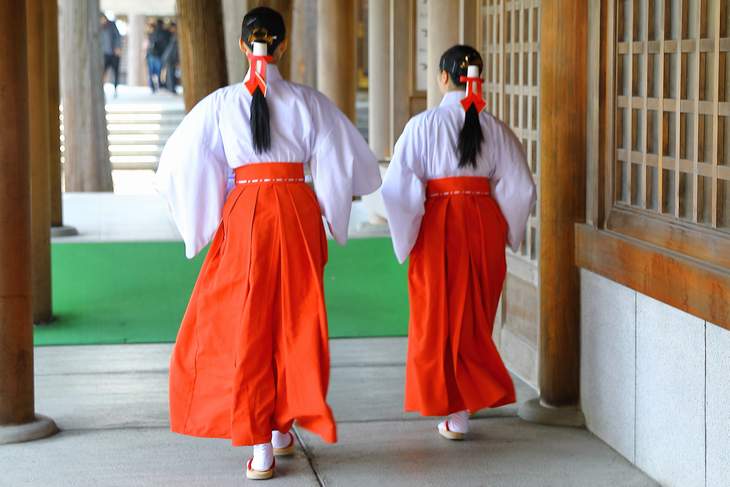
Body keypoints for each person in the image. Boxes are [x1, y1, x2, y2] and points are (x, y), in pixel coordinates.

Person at [155, 7, 381, 481]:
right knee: (293, 320)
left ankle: (263, 446)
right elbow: (349, 162)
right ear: (282, 46)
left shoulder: (220, 104)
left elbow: (180, 162)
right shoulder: (309, 102)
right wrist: (329, 207)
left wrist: (212, 205)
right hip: (297, 211)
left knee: (250, 326)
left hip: (247, 214)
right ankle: (280, 427)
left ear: (243, 47)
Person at [381, 45, 536, 440]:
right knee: (474, 311)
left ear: (443, 77)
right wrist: (507, 228)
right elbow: (520, 187)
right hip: (482, 221)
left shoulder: (423, 125)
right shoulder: (495, 128)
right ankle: (463, 405)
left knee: (436, 312)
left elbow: (397, 188)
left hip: (437, 221)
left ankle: (450, 403)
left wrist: (409, 228)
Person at [100, 14, 122, 96]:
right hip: (105, 53)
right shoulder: (100, 27)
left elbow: (117, 37)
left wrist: (118, 48)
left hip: (114, 53)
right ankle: (101, 88)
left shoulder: (112, 25)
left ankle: (115, 89)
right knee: (103, 72)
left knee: (116, 72)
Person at [146, 19, 169, 92]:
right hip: (158, 55)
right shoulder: (164, 33)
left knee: (151, 72)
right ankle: (160, 85)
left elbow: (149, 44)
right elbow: (165, 45)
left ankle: (152, 86)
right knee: (159, 72)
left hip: (151, 55)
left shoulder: (152, 33)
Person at [161, 22, 179, 93]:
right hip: (169, 58)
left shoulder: (175, 36)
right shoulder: (174, 36)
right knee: (170, 74)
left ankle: (171, 88)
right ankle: (171, 88)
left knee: (171, 74)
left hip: (170, 57)